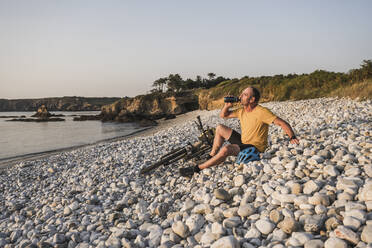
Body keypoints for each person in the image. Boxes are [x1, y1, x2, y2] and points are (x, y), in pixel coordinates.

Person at [179, 86, 299, 177]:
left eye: (245, 94)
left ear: (252, 99)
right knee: (220, 128)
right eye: (241, 94)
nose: (241, 96)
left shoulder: (262, 112)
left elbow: (282, 123)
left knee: (226, 149)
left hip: (254, 147)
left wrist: (292, 137)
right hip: (243, 141)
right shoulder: (242, 110)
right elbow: (223, 115)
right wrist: (227, 105)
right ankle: (210, 156)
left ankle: (196, 169)